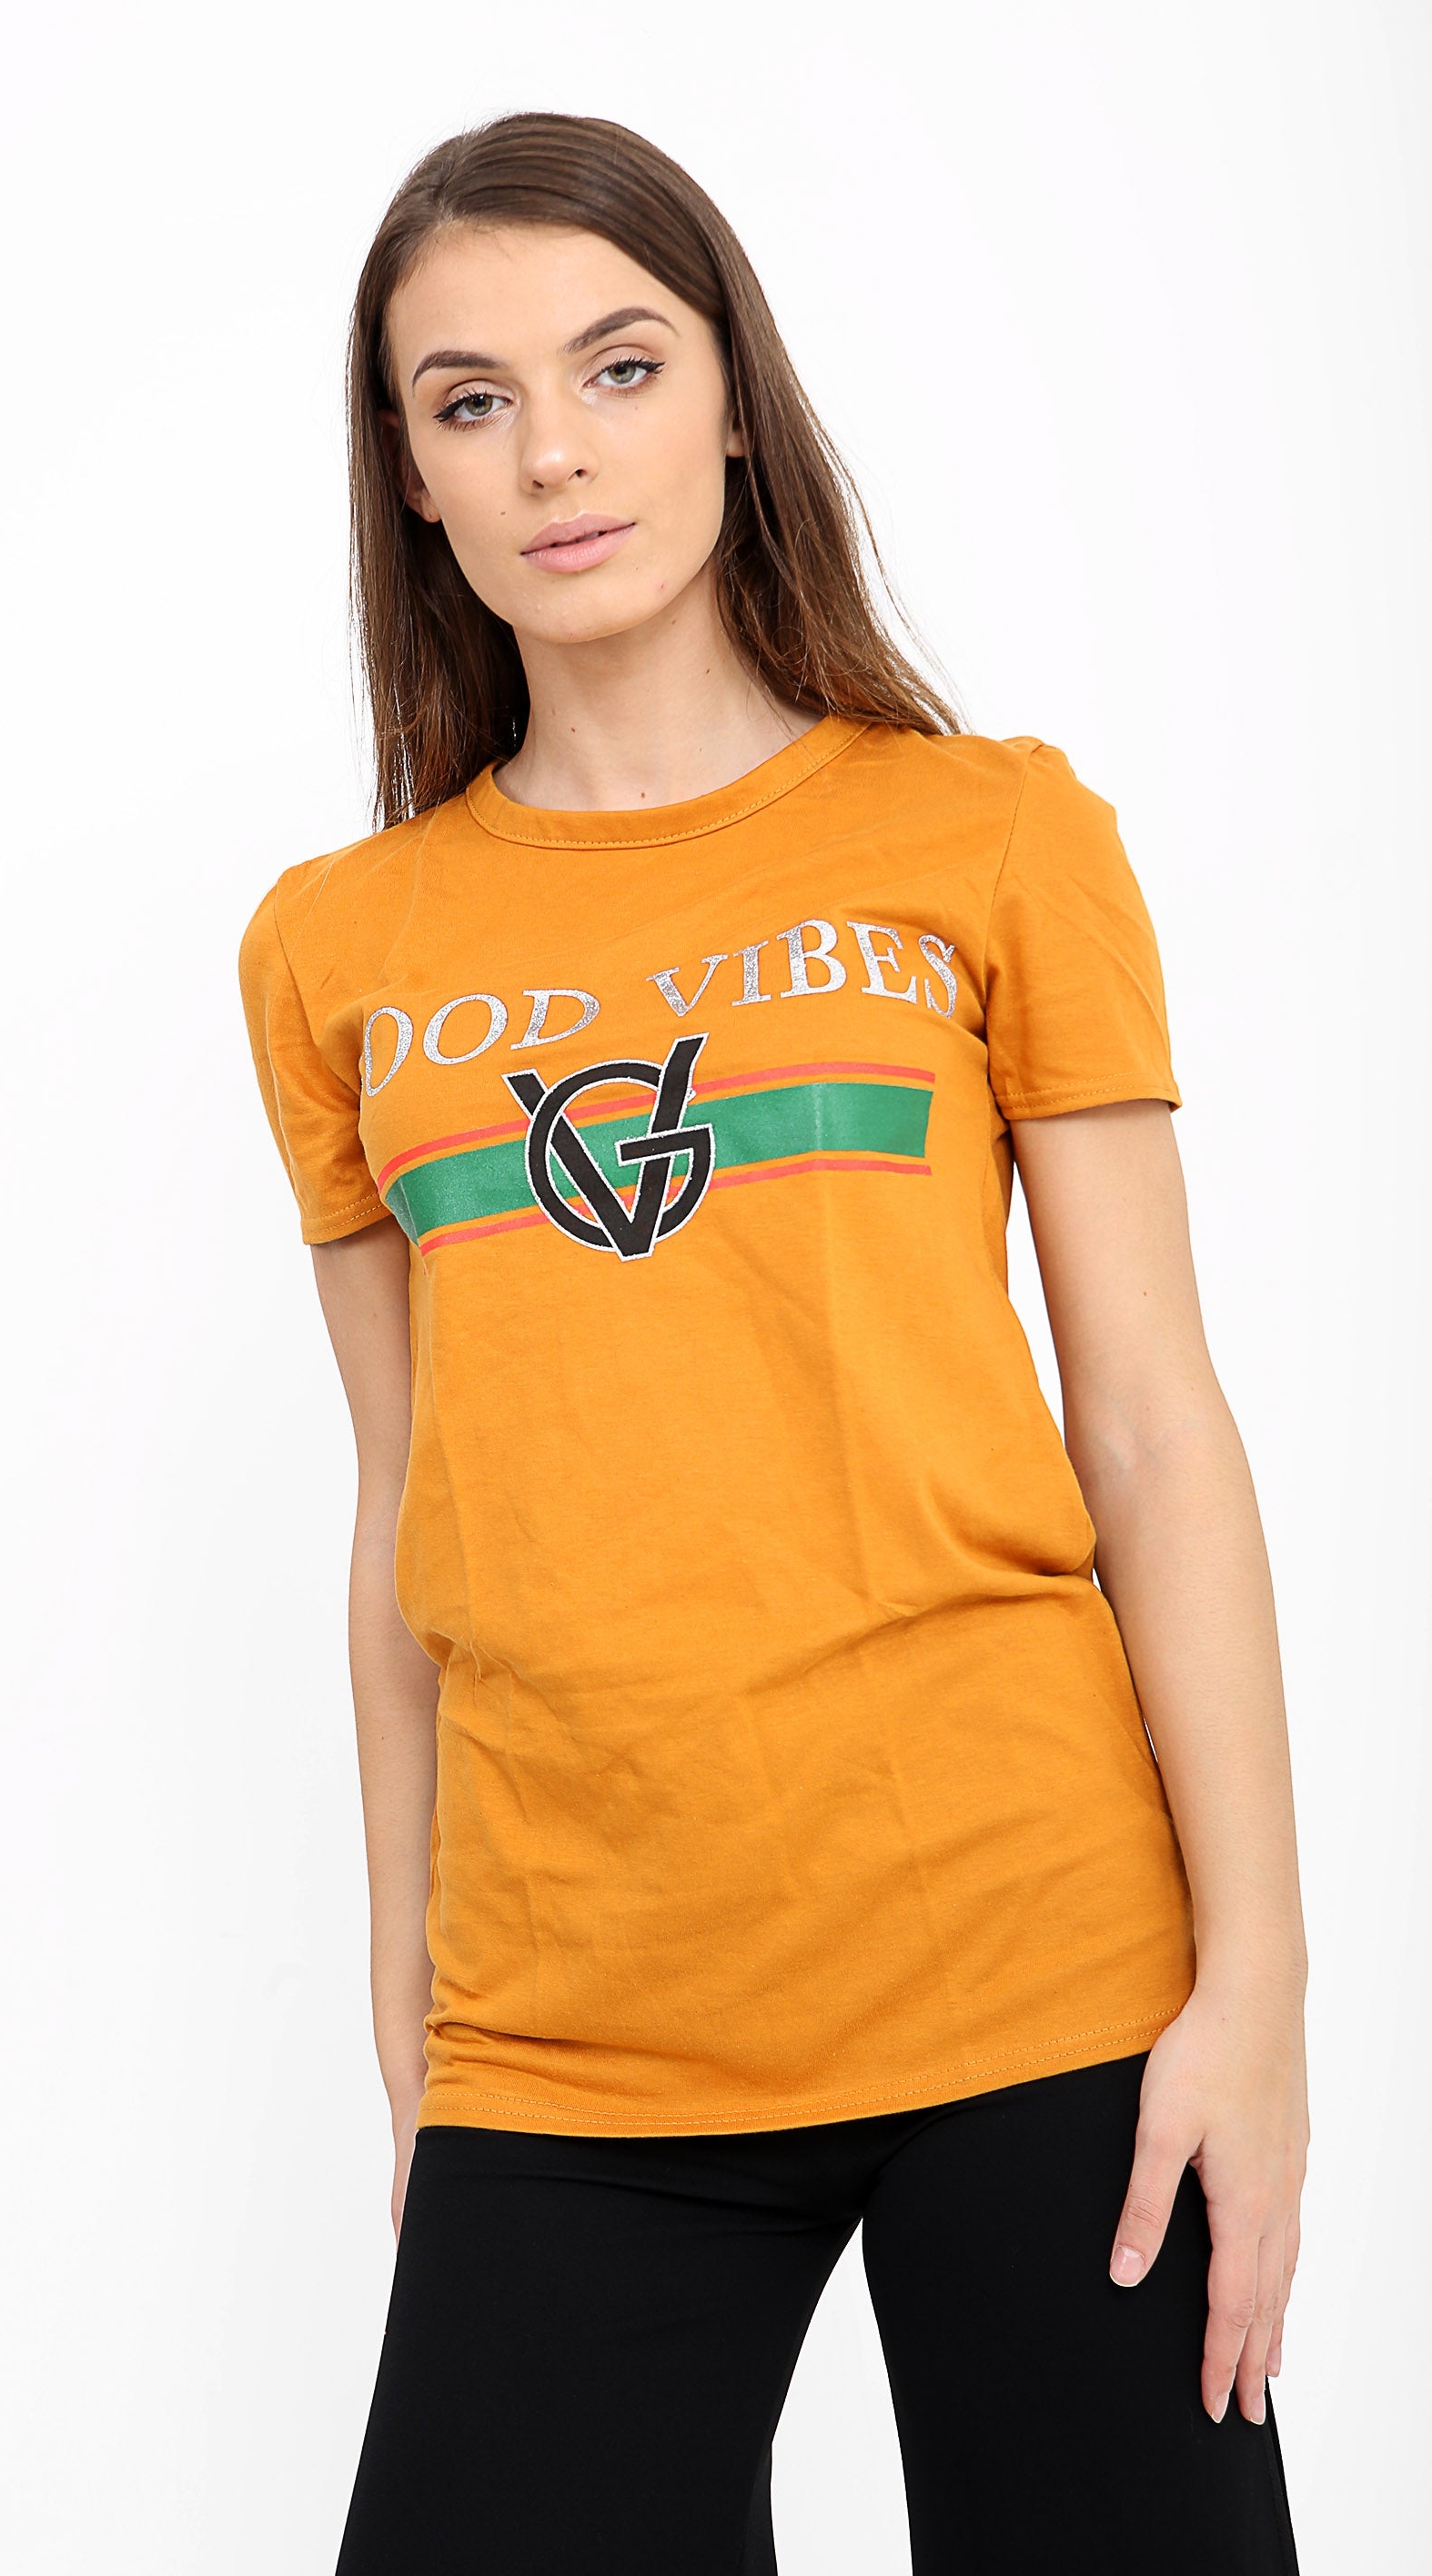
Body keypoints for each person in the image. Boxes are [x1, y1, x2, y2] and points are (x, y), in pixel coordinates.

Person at [237, 111, 1307, 2576]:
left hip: (1031, 1960)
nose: (555, 450)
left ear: (735, 402)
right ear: (409, 474)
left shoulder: (990, 836)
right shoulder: (335, 950)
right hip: (572, 2019)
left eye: (619, 367)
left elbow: (1155, 1427)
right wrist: (417, 2021)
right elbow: (406, 1512)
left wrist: (1257, 1981)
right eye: (472, 400)